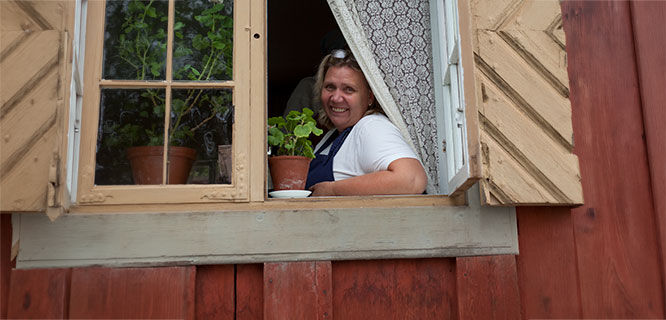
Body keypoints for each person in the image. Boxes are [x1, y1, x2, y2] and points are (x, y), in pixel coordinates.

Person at [306, 49, 427, 196]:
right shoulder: (331, 136)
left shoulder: (371, 126)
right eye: (330, 87)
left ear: (370, 97)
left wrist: (332, 190)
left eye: (348, 89)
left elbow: (412, 179)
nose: (336, 98)